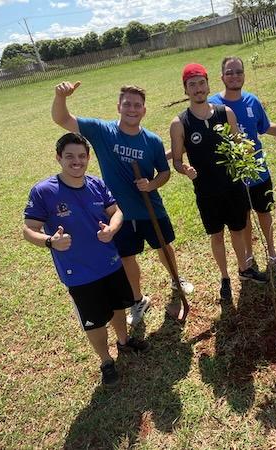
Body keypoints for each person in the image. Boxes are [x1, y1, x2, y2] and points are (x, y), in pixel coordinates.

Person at [51, 82, 194, 326]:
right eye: (127, 104)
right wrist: (60, 97)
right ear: (118, 106)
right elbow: (62, 119)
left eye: (137, 105)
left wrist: (151, 185)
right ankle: (138, 300)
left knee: (164, 246)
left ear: (144, 111)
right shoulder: (102, 131)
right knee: (127, 257)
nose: (132, 109)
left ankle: (175, 279)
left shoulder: (152, 141)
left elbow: (164, 172)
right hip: (117, 212)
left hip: (151, 207)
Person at [22, 133, 150, 387]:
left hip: (111, 262)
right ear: (59, 158)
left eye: (82, 156)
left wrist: (112, 230)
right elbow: (28, 229)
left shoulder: (96, 183)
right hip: (79, 273)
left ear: (88, 158)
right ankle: (106, 361)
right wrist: (50, 241)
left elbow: (116, 212)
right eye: (69, 156)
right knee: (94, 320)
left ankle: (124, 343)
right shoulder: (44, 191)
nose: (76, 161)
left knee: (117, 307)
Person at [170, 63, 268, 301]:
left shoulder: (226, 113)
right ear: (185, 90)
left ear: (208, 84)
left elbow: (238, 143)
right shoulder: (179, 123)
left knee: (238, 230)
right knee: (216, 235)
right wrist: (185, 169)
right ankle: (224, 278)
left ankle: (245, 269)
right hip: (206, 192)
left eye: (201, 83)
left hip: (233, 186)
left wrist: (245, 150)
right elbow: (176, 159)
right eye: (192, 85)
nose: (197, 89)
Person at [209, 56, 276, 267]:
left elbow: (265, 128)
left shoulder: (252, 101)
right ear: (222, 77)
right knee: (244, 217)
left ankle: (271, 248)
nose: (234, 76)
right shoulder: (213, 105)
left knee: (264, 213)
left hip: (258, 170)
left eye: (238, 71)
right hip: (233, 175)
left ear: (244, 75)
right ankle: (249, 252)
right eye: (229, 72)